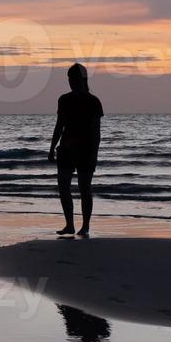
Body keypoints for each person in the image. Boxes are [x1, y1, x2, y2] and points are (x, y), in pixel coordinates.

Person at [48, 63, 103, 237]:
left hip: (85, 151)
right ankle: (69, 225)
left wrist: (94, 154)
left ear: (83, 80)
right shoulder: (64, 99)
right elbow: (59, 125)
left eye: (75, 79)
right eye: (70, 79)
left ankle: (85, 226)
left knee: (84, 187)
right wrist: (51, 147)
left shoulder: (93, 101)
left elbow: (96, 131)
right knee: (63, 186)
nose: (72, 82)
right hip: (66, 148)